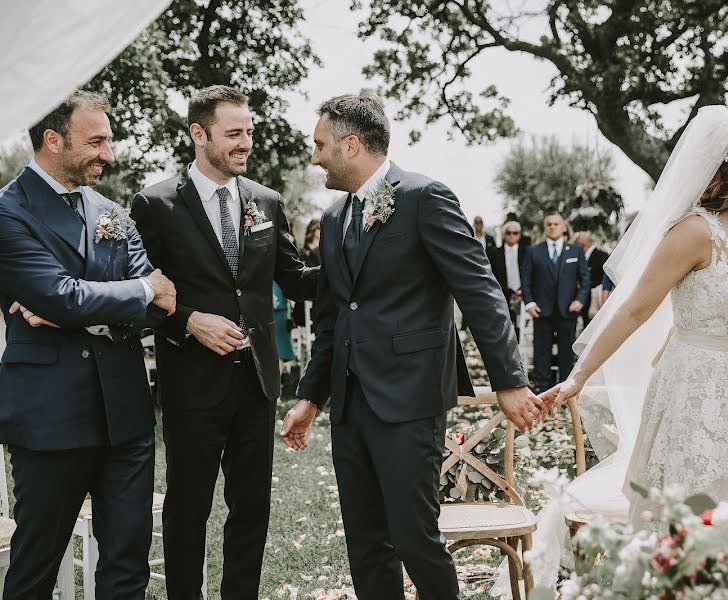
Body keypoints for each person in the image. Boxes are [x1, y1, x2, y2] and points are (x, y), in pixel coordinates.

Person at [495, 106, 728, 596]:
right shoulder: (693, 231)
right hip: (694, 386)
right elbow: (632, 310)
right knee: (692, 518)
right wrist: (578, 377)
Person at [279, 93, 545, 600]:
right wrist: (311, 399)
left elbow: (479, 290)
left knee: (414, 537)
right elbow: (334, 318)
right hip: (350, 404)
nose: (314, 157)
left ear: (350, 145)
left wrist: (509, 381)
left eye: (319, 145)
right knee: (365, 543)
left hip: (409, 398)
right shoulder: (334, 220)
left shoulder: (426, 197)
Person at [130, 85, 318, 600]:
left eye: (249, 133)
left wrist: (365, 257)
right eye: (233, 133)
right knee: (189, 509)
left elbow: (298, 277)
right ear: (198, 134)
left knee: (252, 509)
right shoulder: (156, 204)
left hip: (257, 381)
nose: (245, 143)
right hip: (191, 383)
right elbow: (139, 295)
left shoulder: (266, 201)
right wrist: (189, 321)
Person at [0, 90, 177, 599]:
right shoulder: (8, 213)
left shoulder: (111, 211)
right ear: (52, 140)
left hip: (125, 416)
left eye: (109, 140)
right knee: (37, 564)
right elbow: (70, 296)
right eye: (96, 141)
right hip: (49, 419)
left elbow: (158, 304)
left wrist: (76, 306)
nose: (109, 153)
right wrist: (131, 292)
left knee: (127, 564)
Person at [521, 212, 590, 392]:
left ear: (564, 227)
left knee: (566, 351)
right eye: (549, 224)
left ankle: (565, 390)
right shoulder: (534, 251)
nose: (552, 227)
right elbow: (526, 281)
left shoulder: (575, 251)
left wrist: (579, 301)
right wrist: (529, 303)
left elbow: (585, 280)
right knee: (541, 350)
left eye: (556, 224)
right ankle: (543, 389)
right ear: (545, 228)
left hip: (568, 310)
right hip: (541, 310)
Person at [487, 220, 528, 333]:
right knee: (505, 327)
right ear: (505, 234)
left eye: (515, 233)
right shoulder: (494, 253)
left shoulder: (527, 252)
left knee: (522, 326)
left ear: (519, 234)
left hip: (522, 292)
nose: (512, 235)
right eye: (509, 232)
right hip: (502, 293)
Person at [573, 231, 609, 326]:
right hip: (584, 303)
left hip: (597, 302)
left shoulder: (602, 256)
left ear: (582, 245)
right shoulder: (581, 257)